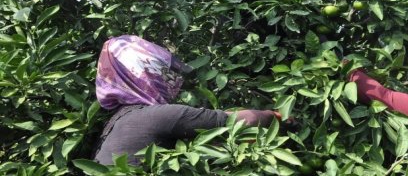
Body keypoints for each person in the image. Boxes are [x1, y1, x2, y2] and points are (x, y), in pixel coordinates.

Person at [92, 35, 281, 165]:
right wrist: (275, 116)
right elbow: (242, 121)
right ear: (142, 75)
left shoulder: (112, 126)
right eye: (159, 70)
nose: (168, 78)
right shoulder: (157, 116)